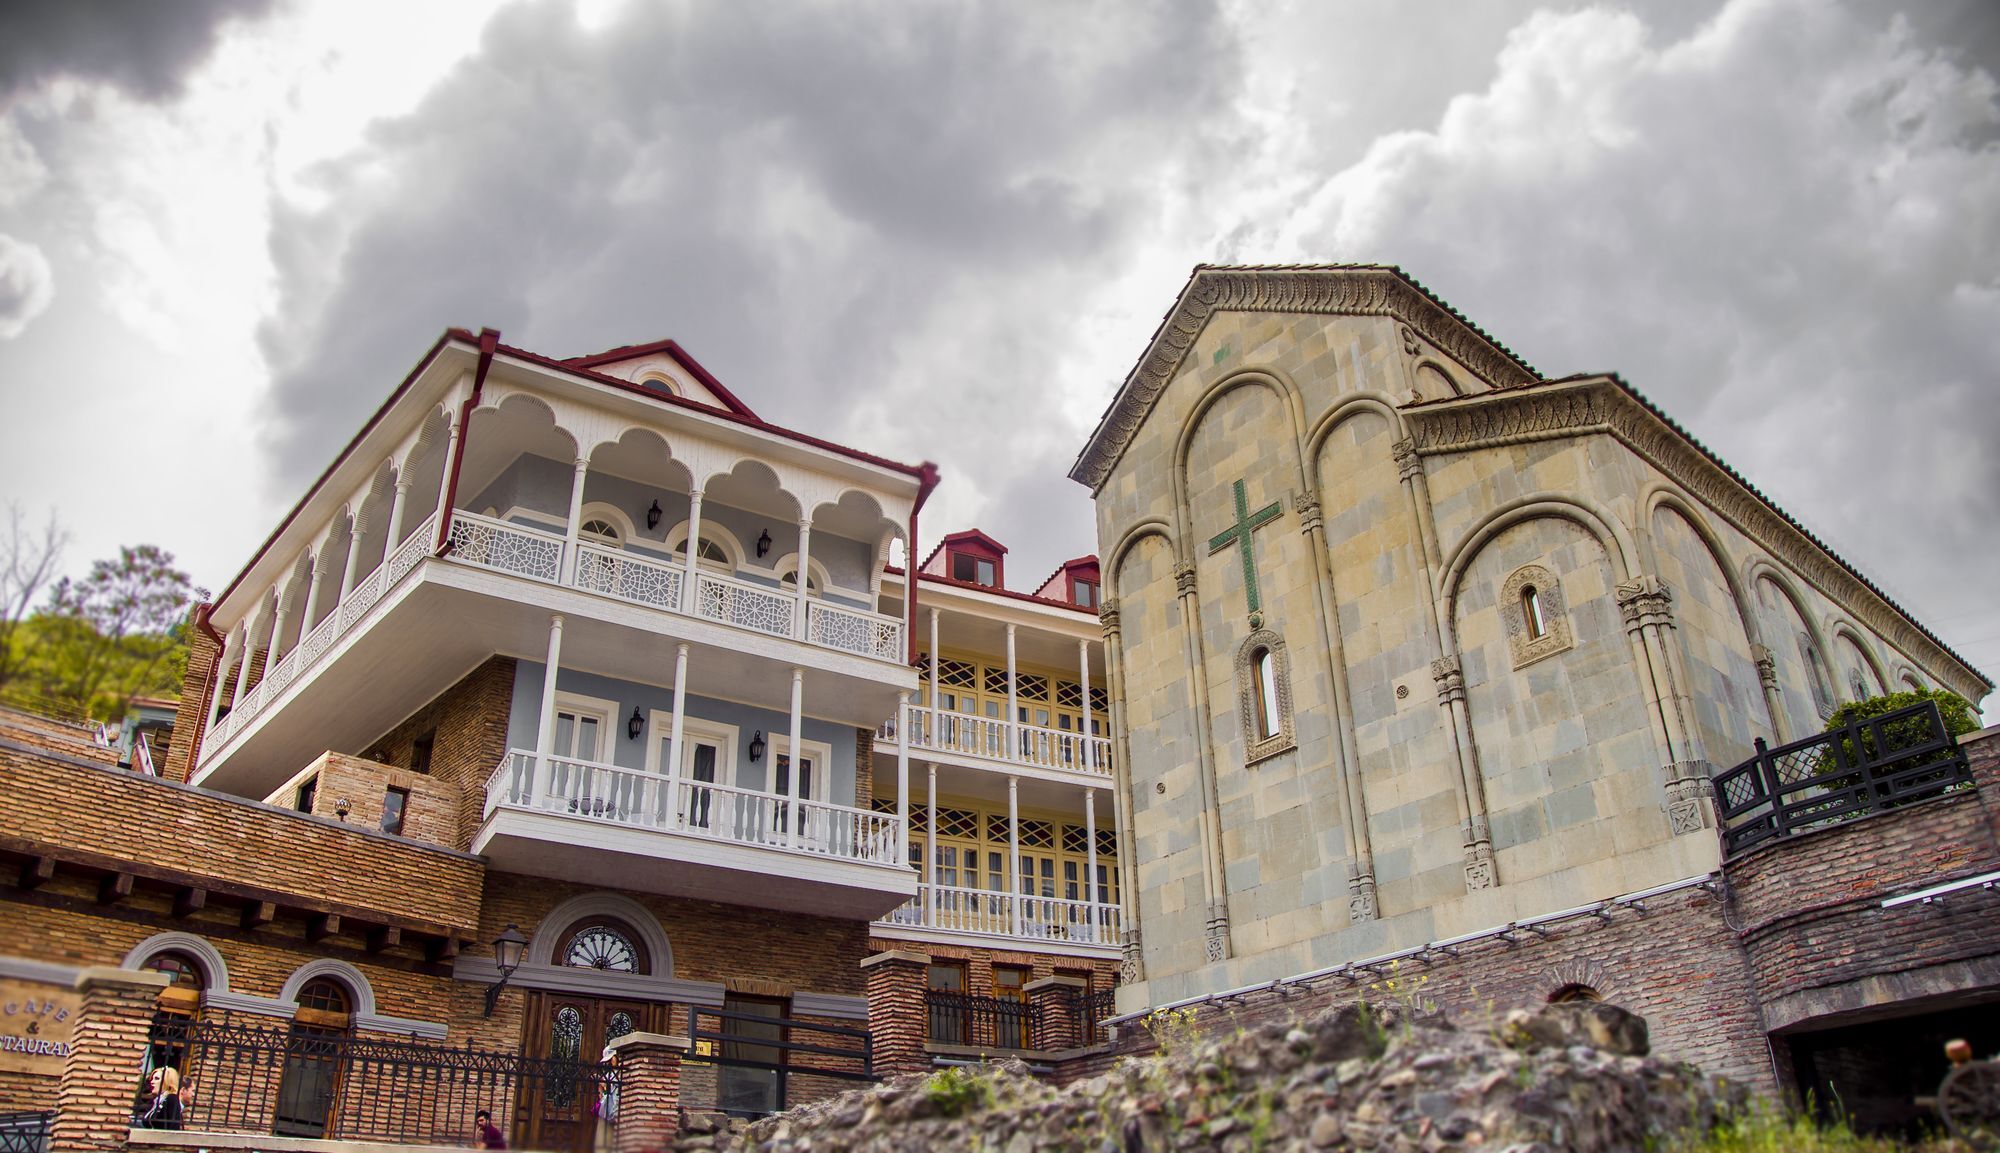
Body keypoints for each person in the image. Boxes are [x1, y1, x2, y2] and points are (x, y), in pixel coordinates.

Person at [591, 1047, 619, 1153]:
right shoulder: (609, 1074)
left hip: (616, 1111)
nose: (610, 1062)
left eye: (611, 1058)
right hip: (606, 1111)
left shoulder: (621, 1073)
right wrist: (600, 1086)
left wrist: (604, 1084)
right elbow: (603, 1095)